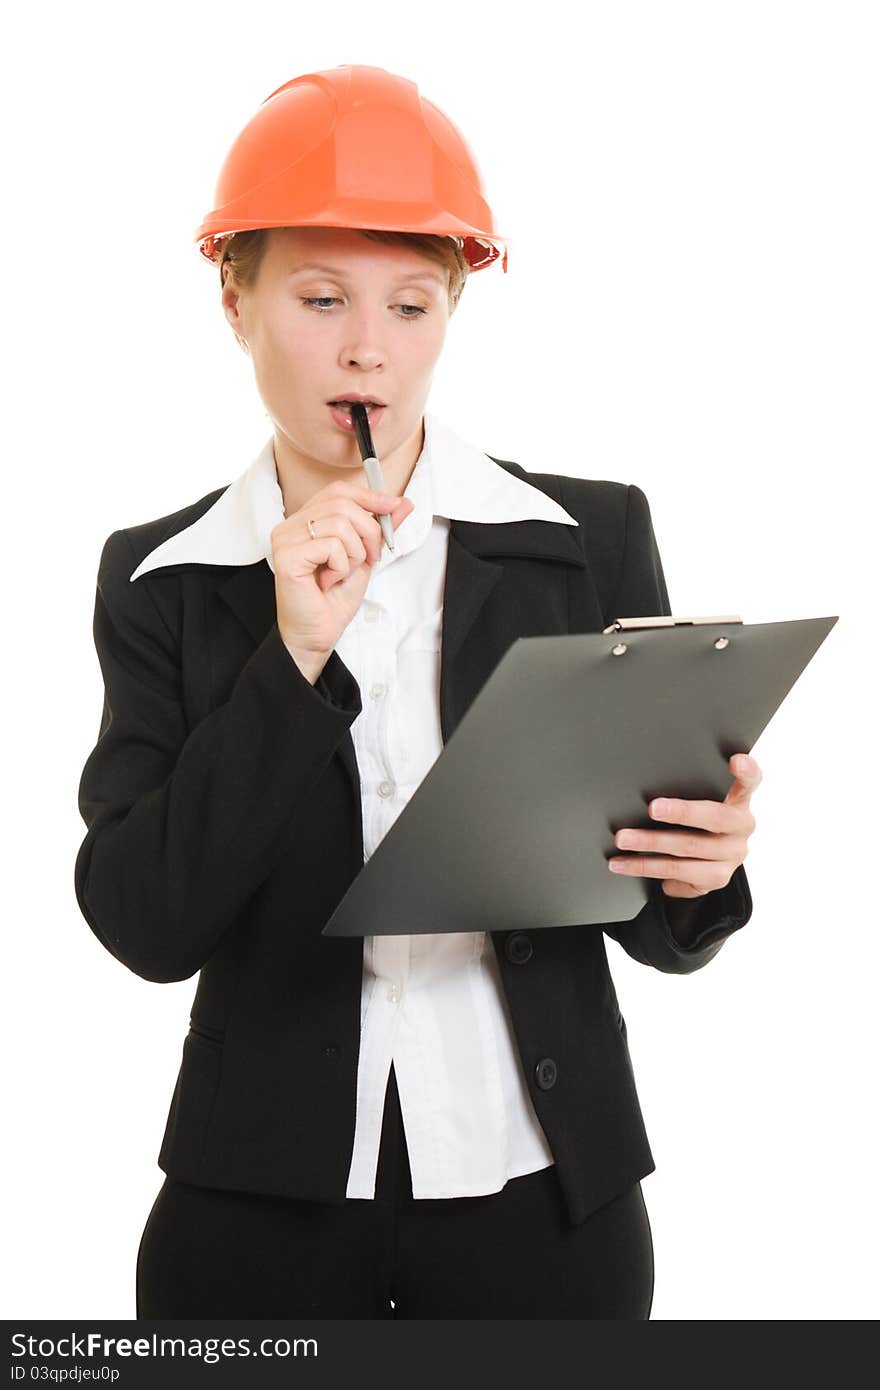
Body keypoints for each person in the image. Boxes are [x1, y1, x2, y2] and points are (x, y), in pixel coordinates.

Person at [74, 64, 761, 1319]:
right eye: (320, 296)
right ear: (234, 298)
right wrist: (288, 659)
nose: (366, 351)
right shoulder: (163, 577)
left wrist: (701, 868)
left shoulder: (586, 539)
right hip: (254, 1209)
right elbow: (142, 925)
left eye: (410, 304)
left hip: (548, 1196)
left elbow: (657, 918)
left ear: (453, 307)